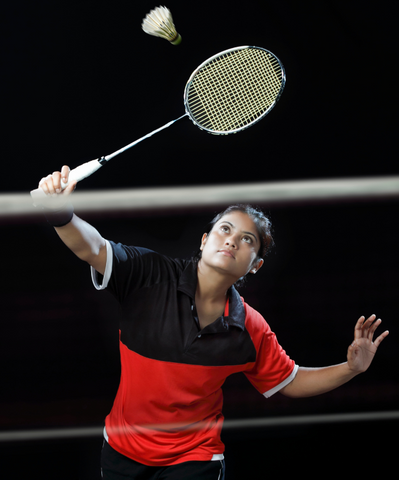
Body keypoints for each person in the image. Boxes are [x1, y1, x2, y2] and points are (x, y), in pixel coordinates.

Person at [37, 166, 389, 480]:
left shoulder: (249, 327)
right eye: (225, 229)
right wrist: (62, 215)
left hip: (196, 457)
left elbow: (290, 382)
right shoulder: (148, 275)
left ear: (255, 265)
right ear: (205, 241)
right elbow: (93, 248)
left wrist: (351, 368)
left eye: (247, 239)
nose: (232, 240)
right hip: (123, 448)